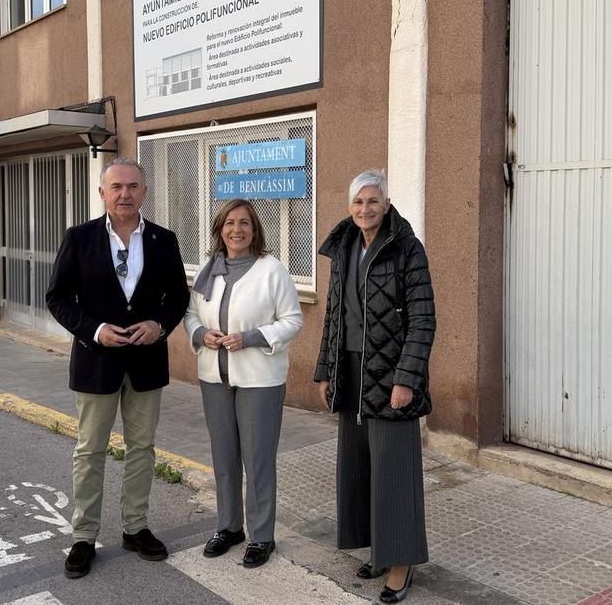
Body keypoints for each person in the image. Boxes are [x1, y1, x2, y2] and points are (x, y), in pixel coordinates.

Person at [45, 157, 190, 579]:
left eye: (132, 186)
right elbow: (57, 298)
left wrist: (159, 325)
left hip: (146, 364)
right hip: (96, 363)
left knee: (142, 448)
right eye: (116, 187)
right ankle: (84, 536)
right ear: (102, 194)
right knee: (90, 450)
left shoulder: (164, 240)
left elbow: (178, 297)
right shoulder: (80, 238)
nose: (124, 194)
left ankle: (135, 527)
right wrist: (94, 329)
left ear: (145, 192)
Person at [313, 169, 435, 603]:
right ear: (349, 207)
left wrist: (406, 379)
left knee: (395, 472)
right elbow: (333, 315)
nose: (365, 209)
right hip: (351, 370)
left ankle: (402, 565)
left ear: (386, 204)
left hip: (390, 372)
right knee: (362, 469)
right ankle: (381, 552)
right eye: (358, 202)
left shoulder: (406, 247)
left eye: (373, 201)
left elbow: (423, 320)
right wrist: (326, 370)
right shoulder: (345, 246)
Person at [183, 199, 303, 568]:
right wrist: (202, 333)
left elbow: (292, 320)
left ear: (255, 229)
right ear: (220, 229)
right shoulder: (208, 269)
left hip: (258, 381)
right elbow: (190, 315)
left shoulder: (272, 270)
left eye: (245, 223)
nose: (237, 229)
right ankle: (229, 527)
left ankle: (261, 536)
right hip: (214, 377)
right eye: (230, 223)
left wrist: (251, 337)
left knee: (258, 460)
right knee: (224, 458)